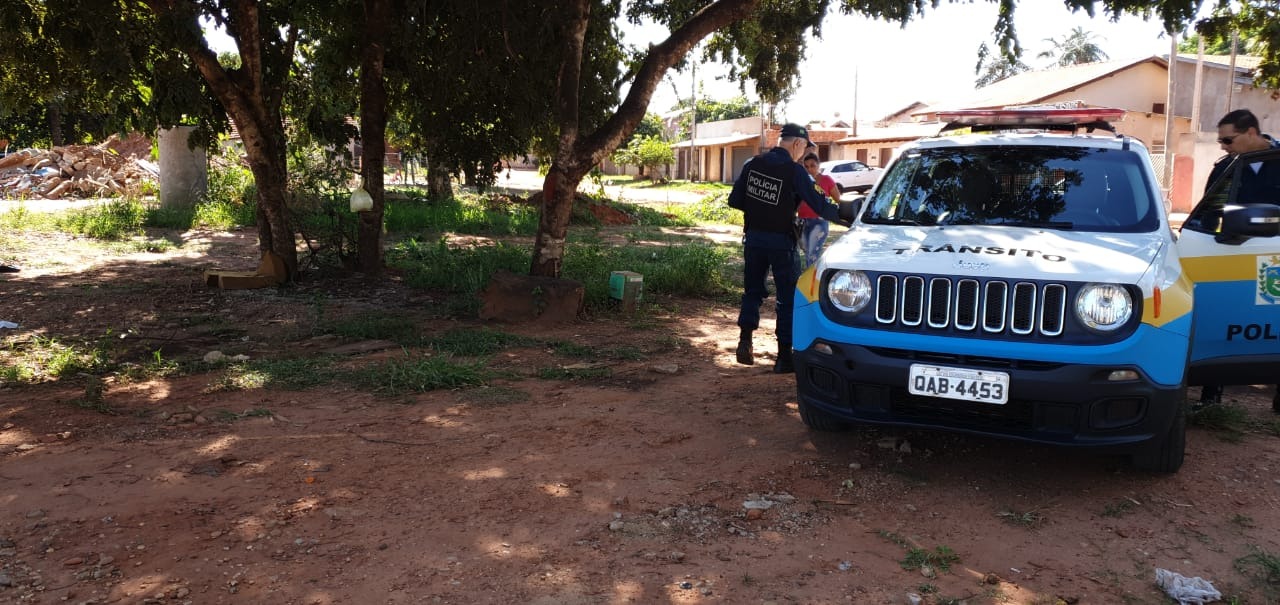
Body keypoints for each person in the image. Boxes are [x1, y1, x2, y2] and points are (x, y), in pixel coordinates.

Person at [728, 123, 847, 374]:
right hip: (782, 242)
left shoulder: (752, 164)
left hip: (754, 239)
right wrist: (847, 216)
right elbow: (818, 203)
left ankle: (744, 342)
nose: (803, 155)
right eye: (804, 148)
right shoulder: (795, 171)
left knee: (752, 292)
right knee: (786, 299)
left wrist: (760, 208)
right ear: (796, 144)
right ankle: (784, 358)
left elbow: (734, 200)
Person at [1198, 108, 1280, 412]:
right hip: (1235, 252)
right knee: (1224, 319)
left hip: (1275, 255)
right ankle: (1211, 394)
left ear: (1250, 133)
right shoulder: (1225, 169)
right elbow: (1209, 213)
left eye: (1228, 139)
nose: (1223, 146)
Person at [798, 150, 838, 268]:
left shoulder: (827, 180)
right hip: (802, 221)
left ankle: (812, 282)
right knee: (807, 253)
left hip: (819, 222)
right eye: (806, 167)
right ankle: (813, 278)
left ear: (818, 165)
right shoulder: (801, 181)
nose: (809, 169)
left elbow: (837, 199)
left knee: (812, 254)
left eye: (812, 166)